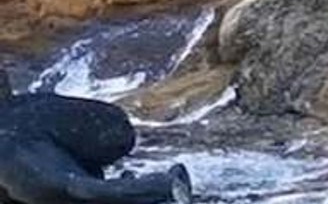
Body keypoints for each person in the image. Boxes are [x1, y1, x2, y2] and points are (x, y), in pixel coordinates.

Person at [0, 69, 192, 204]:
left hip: (106, 128)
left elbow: (70, 187)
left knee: (58, 188)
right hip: (57, 132)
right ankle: (131, 187)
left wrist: (159, 187)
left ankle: (157, 187)